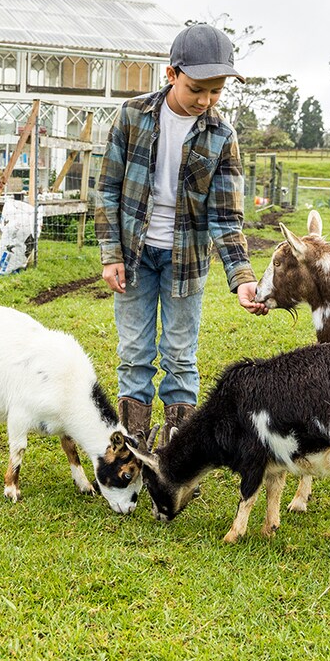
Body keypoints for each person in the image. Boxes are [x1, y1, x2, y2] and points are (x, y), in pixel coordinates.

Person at [95, 22, 267, 443]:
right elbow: (107, 189)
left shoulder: (222, 136)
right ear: (172, 74)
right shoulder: (133, 116)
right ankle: (132, 444)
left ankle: (178, 448)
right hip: (135, 257)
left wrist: (242, 277)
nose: (205, 101)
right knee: (134, 353)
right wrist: (110, 253)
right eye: (196, 89)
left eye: (216, 91)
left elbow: (226, 217)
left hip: (187, 262)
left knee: (179, 355)